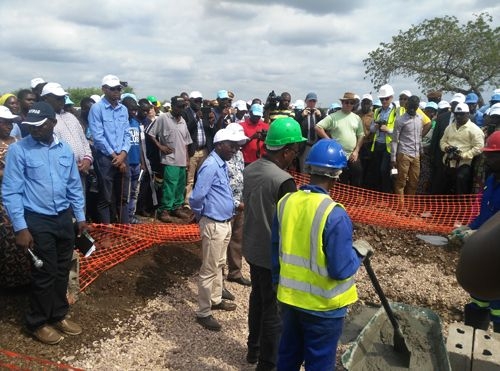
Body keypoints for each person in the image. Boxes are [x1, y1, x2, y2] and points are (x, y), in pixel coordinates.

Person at [271, 139, 363, 370]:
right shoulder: (334, 214)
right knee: (319, 362)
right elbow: (340, 269)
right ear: (337, 175)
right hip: (324, 308)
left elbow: (275, 250)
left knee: (288, 357)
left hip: (290, 300)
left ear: (309, 169)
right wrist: (358, 253)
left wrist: (277, 284)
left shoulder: (286, 203)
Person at [2, 102, 86, 345]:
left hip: (63, 217)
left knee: (61, 270)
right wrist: (20, 227)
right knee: (45, 272)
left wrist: (80, 217)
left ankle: (58, 314)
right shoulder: (20, 151)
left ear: (52, 123)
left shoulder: (65, 150)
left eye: (40, 125)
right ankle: (37, 322)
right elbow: (11, 192)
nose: (34, 130)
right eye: (30, 125)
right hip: (37, 220)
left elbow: (73, 185)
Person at [242, 117, 306, 369]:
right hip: (273, 254)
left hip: (252, 247)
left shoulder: (250, 169)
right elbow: (294, 222)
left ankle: (252, 350)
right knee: (273, 311)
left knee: (257, 298)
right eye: (295, 150)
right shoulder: (284, 181)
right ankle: (267, 364)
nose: (295, 156)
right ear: (286, 150)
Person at [189, 126, 248, 331]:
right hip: (214, 222)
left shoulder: (221, 163)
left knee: (219, 263)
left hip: (223, 221)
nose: (235, 149)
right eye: (231, 145)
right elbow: (196, 197)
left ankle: (215, 298)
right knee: (209, 268)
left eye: (237, 146)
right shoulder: (211, 165)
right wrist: (202, 215)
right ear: (219, 144)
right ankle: (203, 312)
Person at [450, 131, 500, 332]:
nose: (486, 159)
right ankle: (473, 336)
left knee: (497, 304)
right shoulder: (491, 180)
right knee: (478, 299)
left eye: (492, 156)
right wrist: (468, 228)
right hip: (484, 252)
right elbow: (485, 213)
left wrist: (477, 236)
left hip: (496, 253)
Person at [88, 74, 131, 224]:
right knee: (106, 197)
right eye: (113, 89)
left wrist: (123, 154)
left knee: (123, 197)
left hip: (123, 157)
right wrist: (115, 156)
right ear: (104, 89)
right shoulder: (97, 108)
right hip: (106, 158)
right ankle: (107, 232)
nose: (117, 91)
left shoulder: (123, 109)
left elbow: (127, 133)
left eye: (119, 88)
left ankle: (125, 229)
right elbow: (98, 137)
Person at [147, 96, 193, 223]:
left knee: (180, 186)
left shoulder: (183, 120)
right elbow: (150, 133)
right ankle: (165, 210)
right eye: (179, 106)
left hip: (182, 159)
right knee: (170, 185)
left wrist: (187, 159)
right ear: (172, 105)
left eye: (183, 106)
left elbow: (186, 142)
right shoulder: (163, 118)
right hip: (169, 159)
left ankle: (177, 208)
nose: (181, 109)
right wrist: (160, 146)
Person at [0, 106, 31, 288]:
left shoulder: (18, 142)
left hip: (23, 197)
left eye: (11, 122)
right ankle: (9, 281)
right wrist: (10, 173)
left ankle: (25, 278)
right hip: (3, 201)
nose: (9, 126)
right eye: (5, 122)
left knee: (24, 233)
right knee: (7, 238)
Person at [316, 92, 364, 187]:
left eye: (351, 103)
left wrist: (357, 151)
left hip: (352, 155)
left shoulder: (357, 118)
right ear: (342, 103)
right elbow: (318, 127)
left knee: (357, 176)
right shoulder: (333, 116)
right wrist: (329, 140)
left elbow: (361, 135)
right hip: (338, 155)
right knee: (342, 181)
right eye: (346, 102)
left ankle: (354, 198)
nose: (349, 104)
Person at [225, 123, 251, 286]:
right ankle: (217, 283)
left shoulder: (239, 155)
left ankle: (235, 272)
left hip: (239, 204)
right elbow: (220, 187)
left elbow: (241, 178)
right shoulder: (220, 158)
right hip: (226, 207)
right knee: (222, 242)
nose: (238, 146)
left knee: (237, 239)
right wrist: (235, 203)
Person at [440, 103, 484, 194]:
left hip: (464, 164)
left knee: (460, 186)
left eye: (462, 114)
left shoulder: (474, 130)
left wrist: (463, 155)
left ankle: (460, 206)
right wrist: (446, 148)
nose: (458, 116)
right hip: (448, 162)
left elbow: (479, 148)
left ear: (468, 114)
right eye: (456, 114)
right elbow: (442, 141)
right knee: (444, 188)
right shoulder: (450, 127)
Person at [183, 91, 215, 207]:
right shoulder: (185, 113)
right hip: (192, 151)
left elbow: (210, 131)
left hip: (204, 150)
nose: (199, 103)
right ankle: (187, 203)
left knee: (203, 177)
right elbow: (185, 130)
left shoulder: (205, 113)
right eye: (196, 101)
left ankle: (201, 200)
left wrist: (211, 123)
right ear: (190, 101)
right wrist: (196, 118)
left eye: (200, 101)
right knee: (190, 179)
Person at [391, 96, 424, 196]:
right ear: (406, 105)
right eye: (410, 106)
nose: (412, 109)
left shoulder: (420, 119)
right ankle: (401, 208)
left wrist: (421, 150)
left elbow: (419, 136)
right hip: (404, 154)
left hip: (416, 154)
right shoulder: (400, 120)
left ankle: (410, 207)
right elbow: (395, 140)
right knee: (401, 182)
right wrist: (393, 158)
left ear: (417, 107)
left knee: (414, 182)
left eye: (414, 107)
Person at [368, 84, 397, 192]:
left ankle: (387, 194)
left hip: (389, 146)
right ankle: (379, 193)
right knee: (377, 171)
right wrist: (375, 127)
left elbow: (400, 131)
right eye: (382, 99)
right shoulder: (377, 111)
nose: (384, 101)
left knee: (384, 170)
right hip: (378, 144)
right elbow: (371, 129)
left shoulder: (396, 111)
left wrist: (388, 129)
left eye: (386, 98)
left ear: (391, 97)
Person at [298, 92, 324, 172]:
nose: (312, 103)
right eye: (310, 101)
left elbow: (326, 128)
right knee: (304, 169)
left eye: (314, 101)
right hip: (305, 146)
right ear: (306, 101)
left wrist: (321, 116)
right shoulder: (301, 113)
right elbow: (296, 125)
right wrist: (301, 116)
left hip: (317, 146)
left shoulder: (319, 113)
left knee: (316, 169)